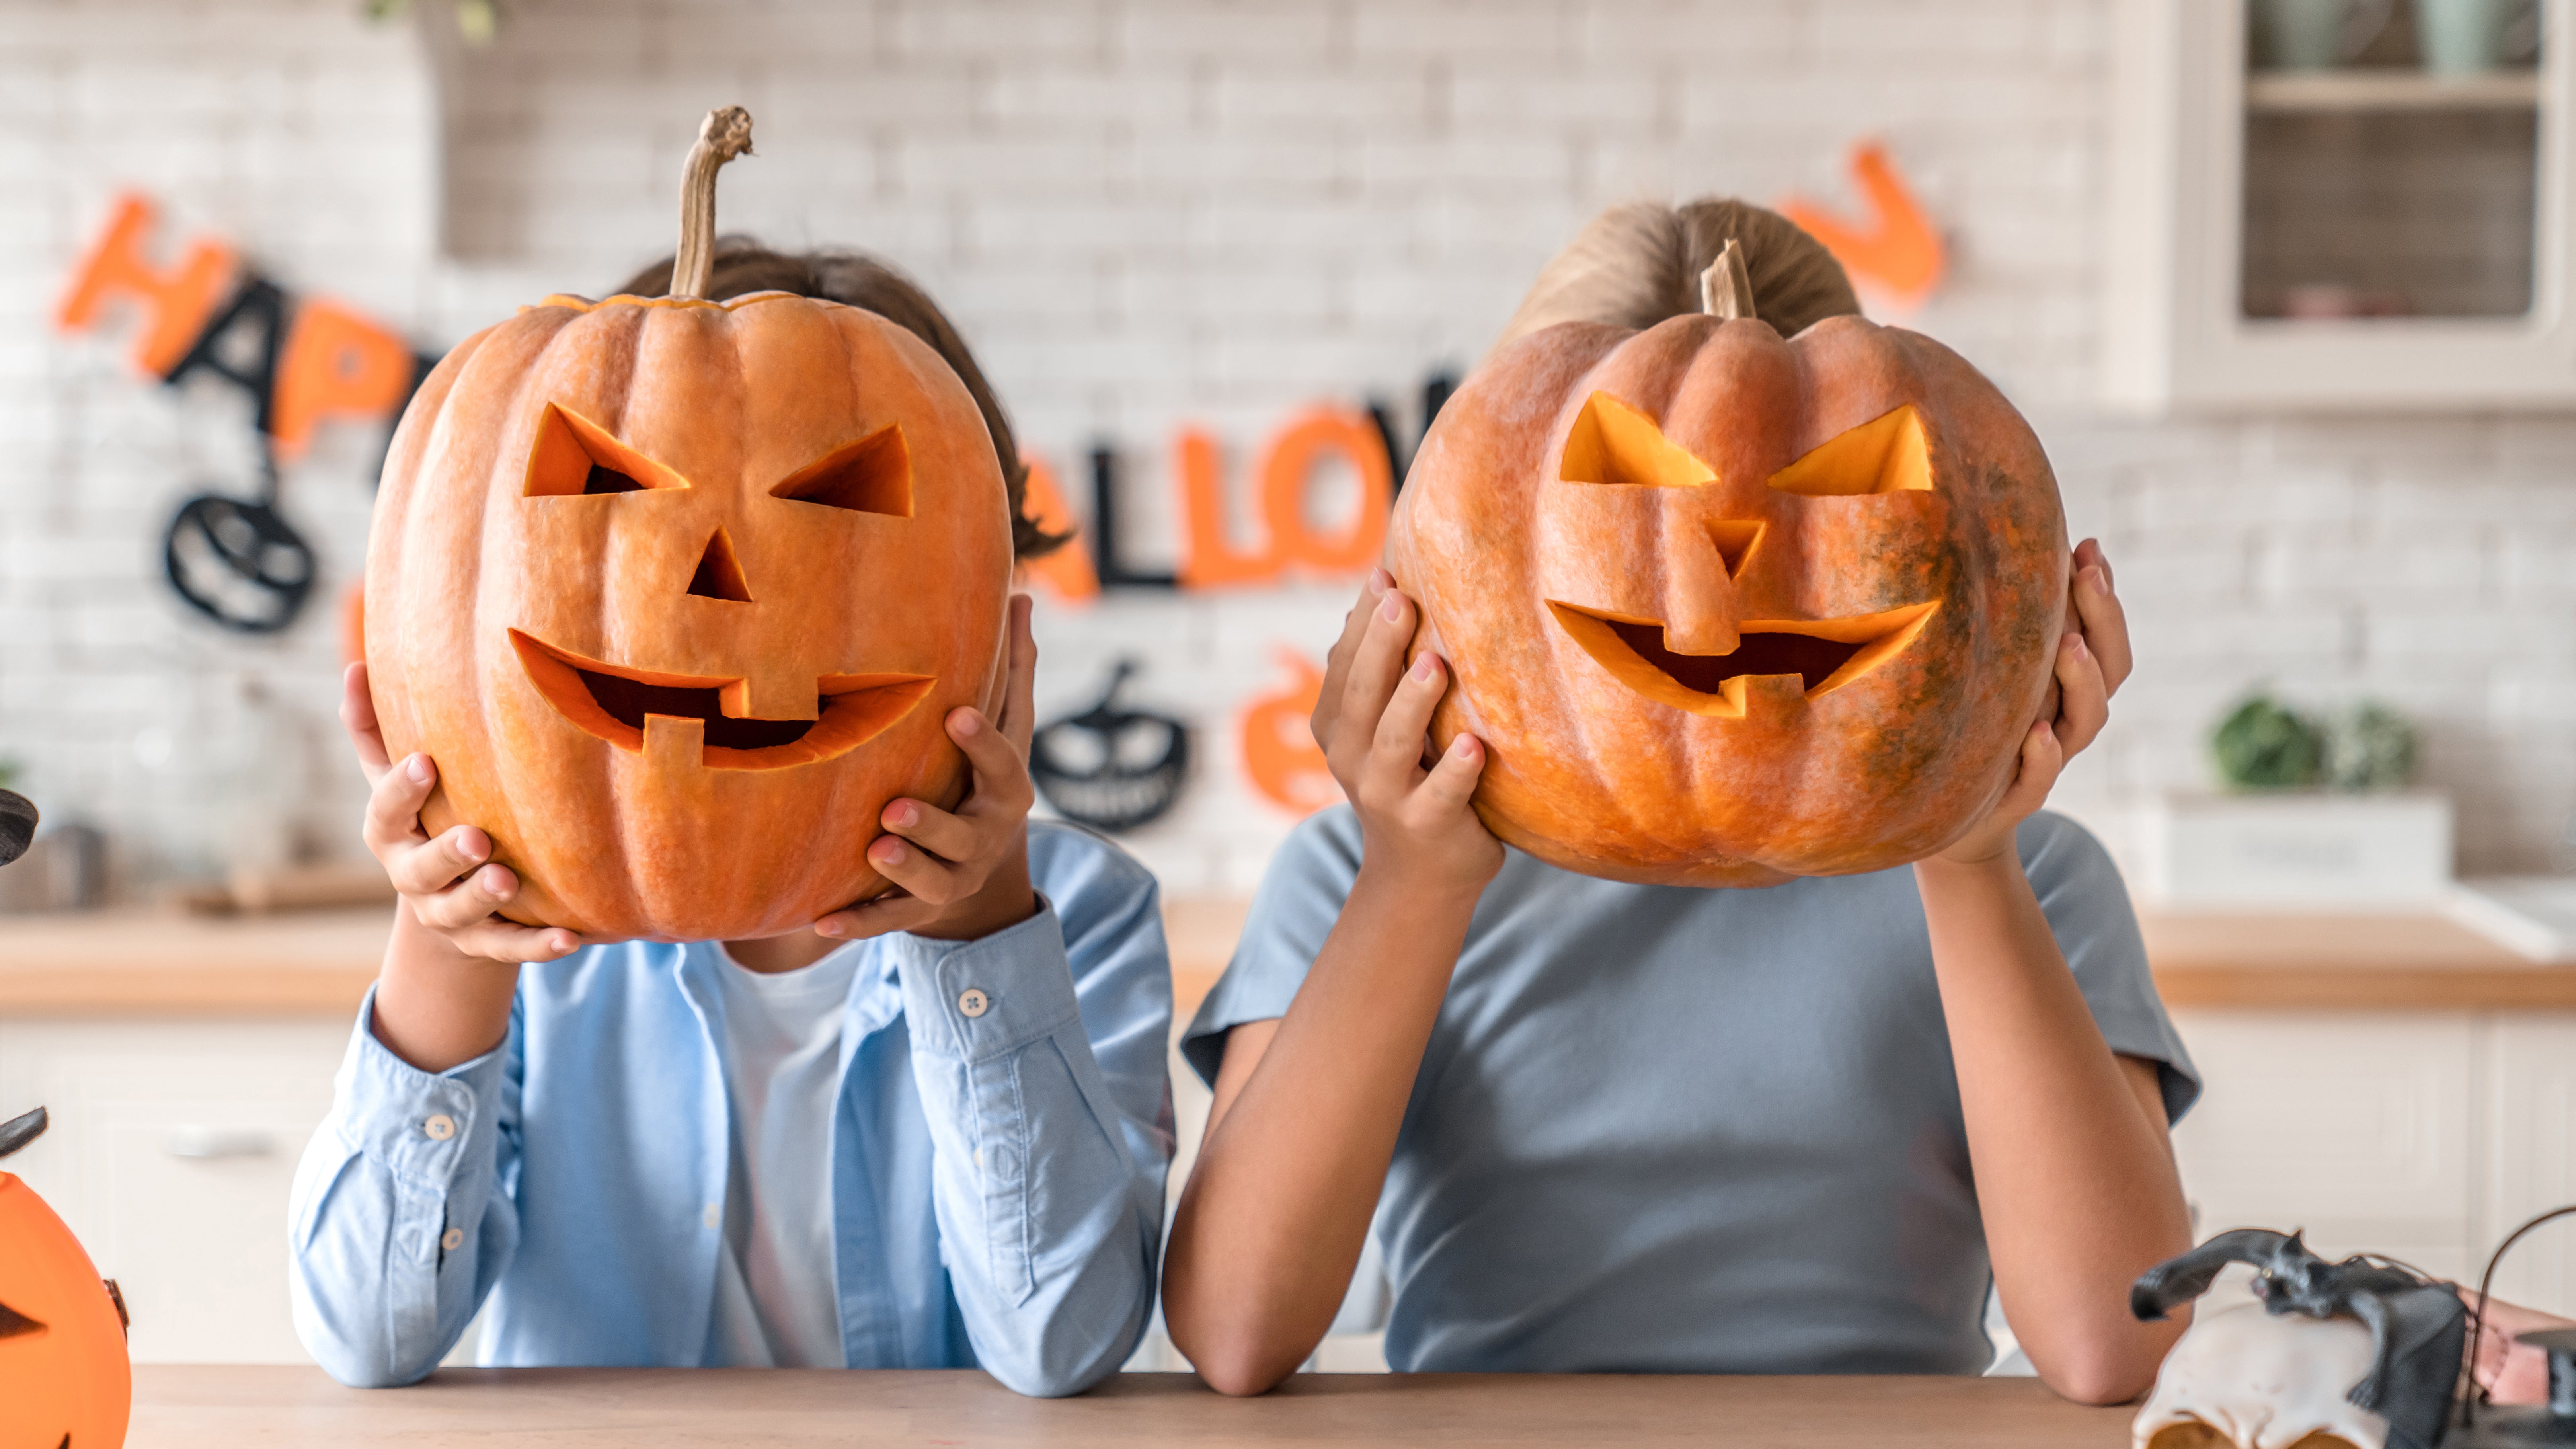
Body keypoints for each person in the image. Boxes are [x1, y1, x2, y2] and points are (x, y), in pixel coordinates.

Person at [1160, 200, 2200, 1403]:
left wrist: (1961, 842)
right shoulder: (1355, 874)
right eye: (1622, 484)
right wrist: (1414, 877)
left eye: (1834, 486)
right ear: (1486, 532)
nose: (1720, 570)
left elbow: (2115, 1345)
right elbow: (1235, 1335)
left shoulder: (2032, 873)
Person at [291, 245, 1172, 1397]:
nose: (724, 595)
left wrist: (982, 919)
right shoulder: (543, 943)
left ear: (989, 593)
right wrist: (455, 926)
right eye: (615, 489)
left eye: (842, 505)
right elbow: (367, 1335)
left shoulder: (1081, 916)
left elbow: (1059, 1344)